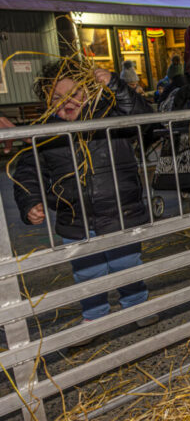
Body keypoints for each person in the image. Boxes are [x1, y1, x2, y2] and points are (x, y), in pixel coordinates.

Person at [13, 60, 157, 331]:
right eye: (57, 97)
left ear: (91, 91)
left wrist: (116, 84)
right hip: (75, 220)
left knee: (127, 265)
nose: (66, 102)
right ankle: (94, 315)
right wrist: (30, 201)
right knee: (87, 274)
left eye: (74, 94)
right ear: (47, 100)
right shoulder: (44, 134)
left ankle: (137, 304)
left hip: (121, 214)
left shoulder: (111, 118)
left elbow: (143, 117)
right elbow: (28, 171)